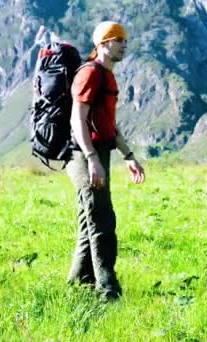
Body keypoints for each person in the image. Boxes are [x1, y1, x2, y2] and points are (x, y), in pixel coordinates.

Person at [66, 21, 145, 301]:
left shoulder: (108, 76)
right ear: (103, 43)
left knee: (91, 223)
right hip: (83, 154)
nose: (125, 45)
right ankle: (108, 291)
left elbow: (109, 125)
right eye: (119, 39)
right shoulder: (89, 74)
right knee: (102, 220)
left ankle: (77, 287)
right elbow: (78, 119)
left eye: (125, 40)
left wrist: (129, 156)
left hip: (99, 154)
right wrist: (91, 159)